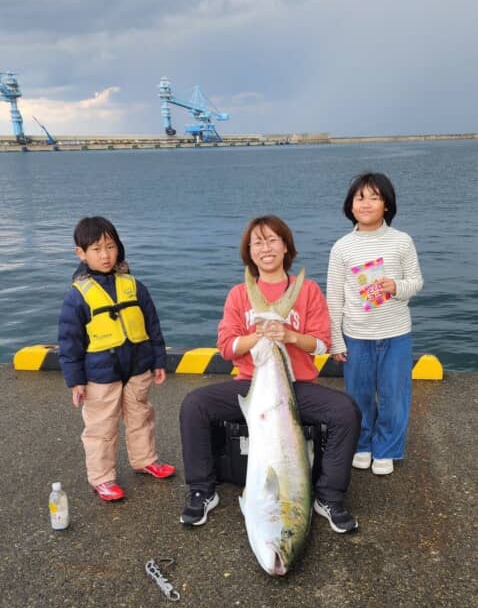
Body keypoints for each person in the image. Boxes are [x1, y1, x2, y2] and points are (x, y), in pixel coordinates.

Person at [179, 214, 361, 532]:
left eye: (273, 239)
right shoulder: (239, 293)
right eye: (258, 242)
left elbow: (321, 345)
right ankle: (202, 491)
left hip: (296, 388)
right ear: (249, 252)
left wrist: (289, 336)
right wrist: (259, 335)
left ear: (286, 247)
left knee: (346, 411)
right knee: (194, 405)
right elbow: (226, 347)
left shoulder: (308, 291)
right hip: (251, 384)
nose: (266, 247)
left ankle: (329, 496)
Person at [58, 216, 175, 500]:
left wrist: (158, 360)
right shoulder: (78, 297)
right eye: (96, 249)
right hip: (100, 375)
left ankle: (145, 459)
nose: (105, 255)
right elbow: (69, 342)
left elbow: (152, 326)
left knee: (141, 417)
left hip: (137, 368)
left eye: (110, 247)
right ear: (81, 253)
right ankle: (102, 478)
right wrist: (75, 381)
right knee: (101, 429)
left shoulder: (135, 286)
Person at [327, 172, 424, 476]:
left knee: (395, 396)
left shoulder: (402, 241)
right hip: (356, 334)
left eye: (374, 197)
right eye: (360, 197)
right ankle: (363, 443)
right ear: (350, 206)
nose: (366, 203)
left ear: (387, 205)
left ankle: (388, 448)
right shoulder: (342, 247)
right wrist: (336, 339)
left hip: (396, 333)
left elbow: (416, 282)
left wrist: (396, 286)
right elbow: (333, 297)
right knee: (358, 396)